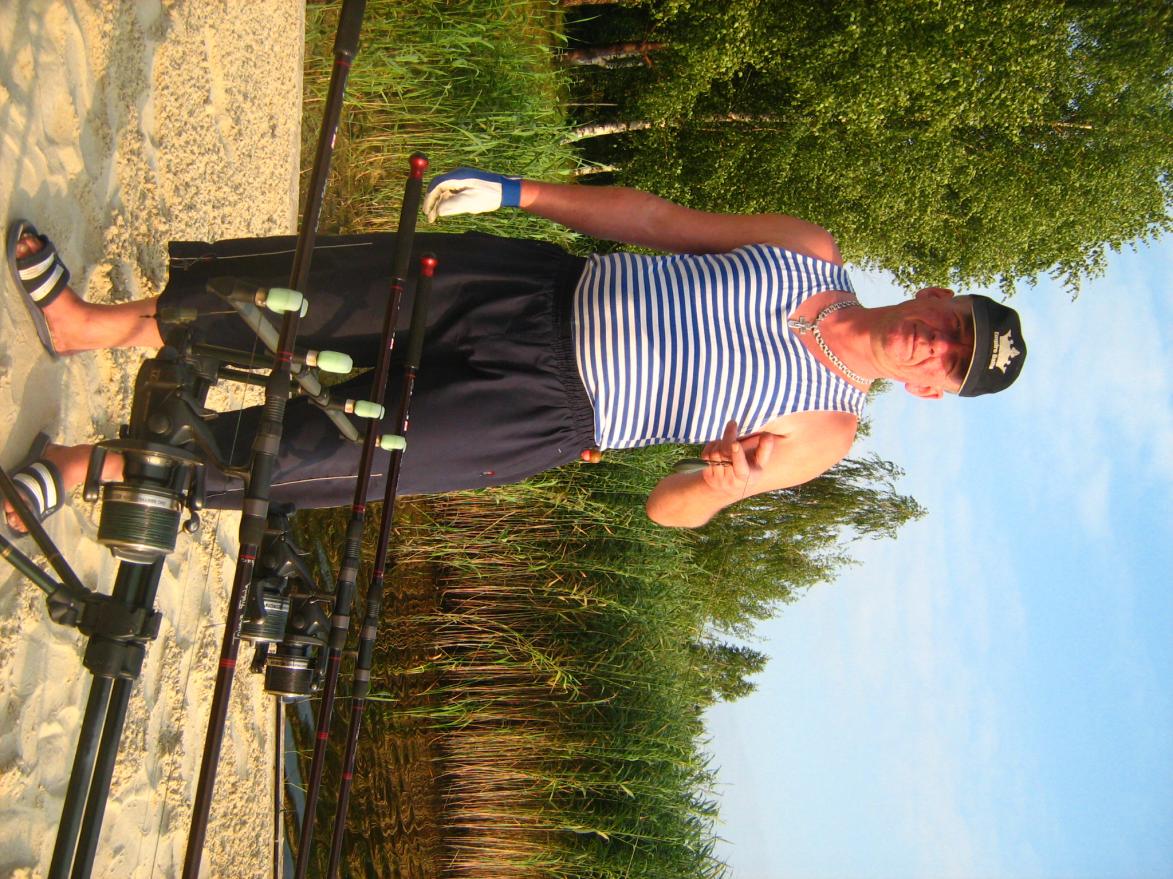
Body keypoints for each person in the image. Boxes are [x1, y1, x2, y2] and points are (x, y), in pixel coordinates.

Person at [4, 168, 1026, 532]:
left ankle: (83, 467)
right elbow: (657, 221)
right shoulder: (808, 248)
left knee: (321, 456)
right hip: (533, 289)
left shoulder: (828, 434)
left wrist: (715, 485)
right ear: (937, 296)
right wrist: (519, 193)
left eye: (951, 363)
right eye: (956, 328)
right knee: (316, 298)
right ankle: (89, 326)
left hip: (544, 418)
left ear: (931, 392)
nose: (938, 346)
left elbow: (666, 510)